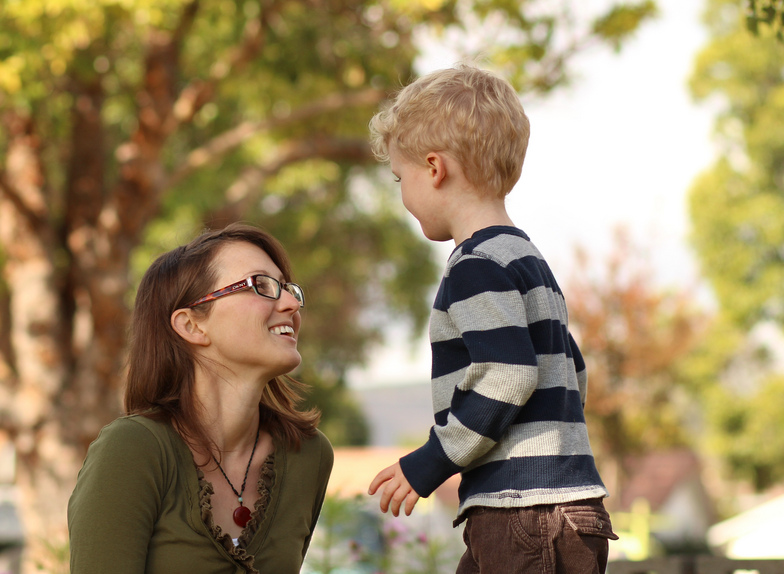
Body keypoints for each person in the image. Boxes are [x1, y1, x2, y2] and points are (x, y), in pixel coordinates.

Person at [365, 64, 618, 573]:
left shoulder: (476, 267)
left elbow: (509, 375)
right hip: (553, 506)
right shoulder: (527, 258)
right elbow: (572, 367)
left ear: (434, 169)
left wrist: (431, 462)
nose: (403, 194)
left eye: (400, 177)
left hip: (524, 513)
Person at [67, 223, 334, 574]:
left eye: (288, 288)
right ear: (192, 325)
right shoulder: (132, 450)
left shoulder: (308, 455)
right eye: (261, 285)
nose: (290, 304)